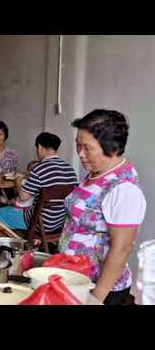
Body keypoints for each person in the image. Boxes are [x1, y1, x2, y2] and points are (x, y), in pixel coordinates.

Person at [58, 109, 146, 305]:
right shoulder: (97, 173)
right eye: (78, 145)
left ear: (112, 149)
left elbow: (122, 248)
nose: (80, 154)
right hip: (77, 280)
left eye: (87, 148)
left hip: (99, 290)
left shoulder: (124, 189)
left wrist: (95, 298)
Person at [0, 132, 78, 233]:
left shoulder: (39, 169)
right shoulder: (70, 169)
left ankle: (18, 240)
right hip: (60, 222)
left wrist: (18, 182)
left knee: (0, 213)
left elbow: (23, 197)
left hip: (40, 222)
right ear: (57, 149)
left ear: (39, 147)